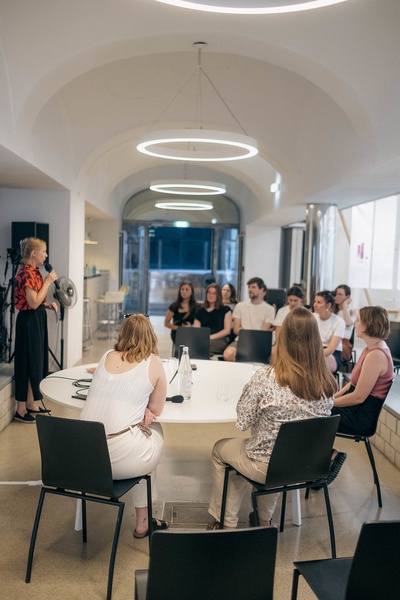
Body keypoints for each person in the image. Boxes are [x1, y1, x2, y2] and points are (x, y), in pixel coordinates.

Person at [207, 307, 338, 529]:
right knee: (277, 453)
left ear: (283, 339)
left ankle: (226, 524)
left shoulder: (266, 378)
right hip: (306, 465)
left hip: (267, 465)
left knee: (221, 451)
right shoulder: (327, 383)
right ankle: (264, 520)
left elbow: (243, 422)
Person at [80, 314, 169, 538]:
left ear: (123, 334)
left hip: (85, 458)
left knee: (140, 436)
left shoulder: (106, 356)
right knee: (154, 431)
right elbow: (156, 409)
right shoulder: (153, 362)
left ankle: (143, 520)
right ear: (151, 335)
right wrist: (143, 408)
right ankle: (143, 521)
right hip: (119, 460)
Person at [13, 237, 58, 423]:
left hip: (36, 318)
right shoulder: (26, 273)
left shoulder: (34, 271)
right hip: (28, 321)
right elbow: (31, 303)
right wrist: (47, 282)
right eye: (44, 251)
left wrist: (46, 305)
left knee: (36, 361)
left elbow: (36, 300)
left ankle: (31, 403)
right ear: (34, 253)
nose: (46, 255)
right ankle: (21, 409)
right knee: (26, 362)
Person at [332, 306, 394, 436]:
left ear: (369, 324)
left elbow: (358, 397)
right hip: (353, 409)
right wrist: (332, 399)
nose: (355, 324)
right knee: (312, 410)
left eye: (359, 320)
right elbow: (352, 384)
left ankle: (324, 450)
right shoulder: (370, 348)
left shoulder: (376, 355)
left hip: (359, 417)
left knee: (311, 414)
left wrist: (328, 404)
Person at [223, 277, 275, 362]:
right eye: (249, 287)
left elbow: (263, 332)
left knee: (273, 355)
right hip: (241, 340)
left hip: (259, 342)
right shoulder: (240, 306)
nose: (250, 290)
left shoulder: (269, 309)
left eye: (253, 287)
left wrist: (245, 331)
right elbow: (236, 330)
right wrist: (252, 332)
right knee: (228, 354)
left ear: (261, 290)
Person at [193, 283, 232, 355]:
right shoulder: (200, 311)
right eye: (209, 293)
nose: (210, 295)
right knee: (190, 345)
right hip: (203, 340)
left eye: (214, 293)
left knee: (202, 347)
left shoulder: (225, 310)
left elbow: (227, 330)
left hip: (220, 340)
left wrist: (210, 337)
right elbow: (196, 330)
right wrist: (203, 338)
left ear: (218, 296)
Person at [313, 290, 345, 373]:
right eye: (315, 301)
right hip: (314, 350)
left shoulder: (339, 322)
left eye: (319, 302)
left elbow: (331, 349)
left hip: (332, 354)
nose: (315, 305)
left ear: (328, 305)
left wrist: (312, 356)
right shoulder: (312, 317)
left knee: (318, 363)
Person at [333, 284, 358, 363]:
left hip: (344, 344)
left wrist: (345, 304)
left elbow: (348, 323)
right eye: (336, 294)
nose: (336, 296)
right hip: (331, 340)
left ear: (347, 297)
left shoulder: (353, 311)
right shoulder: (332, 311)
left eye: (340, 294)